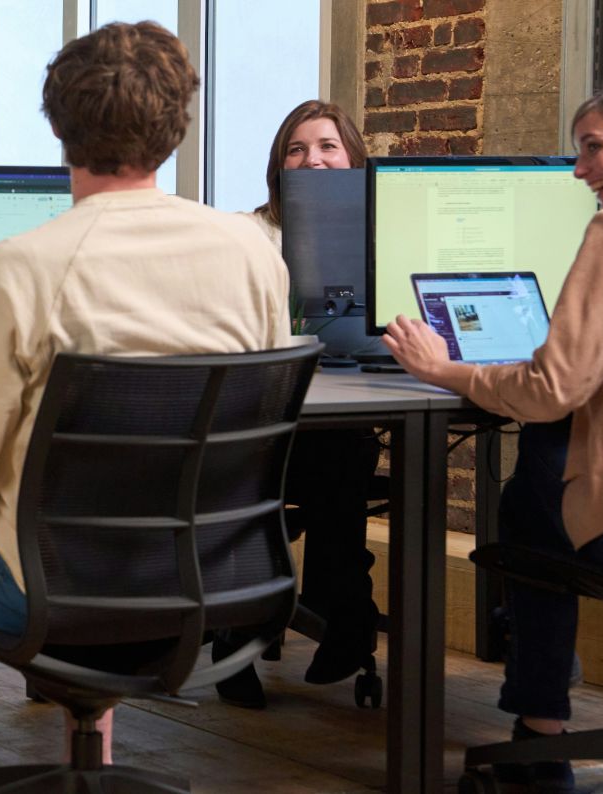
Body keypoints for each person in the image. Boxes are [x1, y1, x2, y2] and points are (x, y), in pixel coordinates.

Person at [0, 22, 289, 793]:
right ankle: (94, 755)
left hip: (50, 587)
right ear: (177, 127)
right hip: (207, 576)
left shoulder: (23, 267)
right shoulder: (252, 252)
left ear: (60, 127)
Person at [384, 75, 603, 793]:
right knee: (549, 465)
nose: (578, 169)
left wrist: (447, 367)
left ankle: (540, 738)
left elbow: (552, 391)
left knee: (531, 494)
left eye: (592, 148)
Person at [212, 100, 384, 710]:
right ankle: (269, 622)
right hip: (257, 418)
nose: (313, 158)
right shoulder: (249, 233)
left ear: (354, 159)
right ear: (278, 167)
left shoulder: (381, 235)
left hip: (341, 408)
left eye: (328, 146)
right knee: (327, 456)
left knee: (344, 447)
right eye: (297, 149)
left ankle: (328, 615)